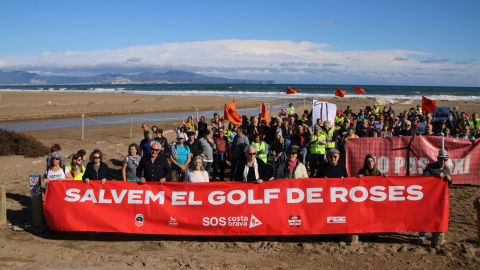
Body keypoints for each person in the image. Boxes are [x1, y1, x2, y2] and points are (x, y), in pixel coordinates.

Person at [417, 149, 452, 246]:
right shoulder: (430, 167)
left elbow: (448, 186)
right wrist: (435, 176)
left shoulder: (447, 169)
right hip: (428, 196)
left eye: (445, 160)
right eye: (441, 159)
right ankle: (422, 235)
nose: (443, 162)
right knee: (425, 216)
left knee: (438, 216)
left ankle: (436, 235)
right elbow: (424, 178)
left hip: (440, 198)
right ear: (437, 159)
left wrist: (450, 180)